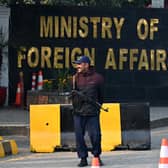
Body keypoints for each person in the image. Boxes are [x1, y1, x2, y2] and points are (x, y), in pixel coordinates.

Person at [71, 55, 104, 167]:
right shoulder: (75, 77)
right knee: (79, 136)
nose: (78, 66)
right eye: (77, 64)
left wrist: (97, 108)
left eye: (79, 64)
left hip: (92, 112)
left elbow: (102, 96)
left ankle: (96, 156)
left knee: (95, 135)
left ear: (86, 64)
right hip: (78, 112)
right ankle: (83, 158)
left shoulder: (97, 78)